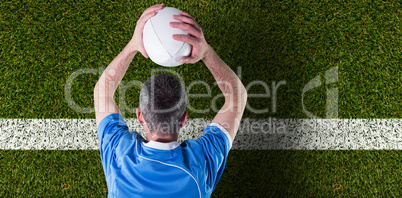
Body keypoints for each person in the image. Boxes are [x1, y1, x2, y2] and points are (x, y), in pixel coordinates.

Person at [94, 4, 247, 197]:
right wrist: (207, 54)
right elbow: (237, 98)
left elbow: (101, 93)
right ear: (183, 118)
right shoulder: (201, 163)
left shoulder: (119, 157)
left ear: (140, 116)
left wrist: (132, 46)